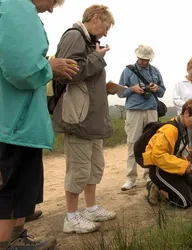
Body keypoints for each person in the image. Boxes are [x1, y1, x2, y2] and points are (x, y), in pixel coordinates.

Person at [0, 0, 79, 249]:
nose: (52, 7)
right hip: (13, 121)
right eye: (54, 0)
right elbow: (22, 70)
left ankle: (16, 238)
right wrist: (49, 67)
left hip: (15, 121)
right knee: (8, 187)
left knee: (18, 187)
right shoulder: (16, 7)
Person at [52, 4, 116, 234]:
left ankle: (90, 208)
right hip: (78, 118)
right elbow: (67, 73)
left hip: (92, 119)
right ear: (96, 18)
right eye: (106, 26)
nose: (106, 33)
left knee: (94, 166)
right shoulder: (74, 36)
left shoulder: (88, 41)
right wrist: (97, 58)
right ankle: (71, 217)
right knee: (78, 169)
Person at [143, 99, 192, 208]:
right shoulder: (169, 129)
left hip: (171, 168)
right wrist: (183, 165)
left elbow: (179, 150)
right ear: (186, 113)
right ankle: (156, 189)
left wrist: (191, 155)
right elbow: (157, 156)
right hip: (159, 170)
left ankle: (165, 189)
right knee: (185, 202)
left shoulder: (182, 128)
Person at [118, 45, 166, 191]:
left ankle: (149, 174)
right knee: (133, 143)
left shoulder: (155, 71)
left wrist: (155, 88)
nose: (144, 62)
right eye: (142, 59)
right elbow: (119, 92)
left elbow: (162, 91)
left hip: (151, 110)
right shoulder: (128, 71)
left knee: (152, 142)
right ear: (137, 57)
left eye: (146, 59)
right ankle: (130, 178)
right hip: (134, 110)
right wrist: (132, 89)